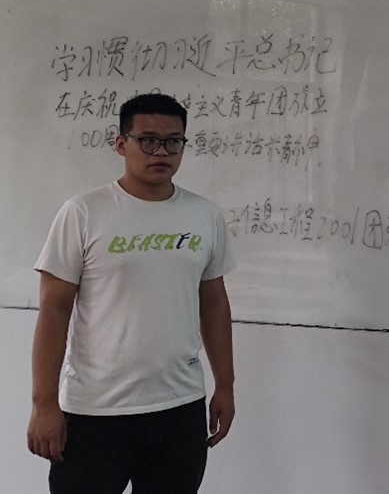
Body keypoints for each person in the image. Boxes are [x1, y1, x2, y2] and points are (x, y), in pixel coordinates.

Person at [27, 92, 236, 494]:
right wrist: (43, 404)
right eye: (148, 140)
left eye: (173, 141)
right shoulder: (84, 212)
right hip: (96, 410)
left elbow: (213, 303)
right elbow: (54, 309)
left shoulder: (204, 214)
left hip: (180, 407)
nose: (161, 152)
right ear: (122, 144)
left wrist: (225, 385)